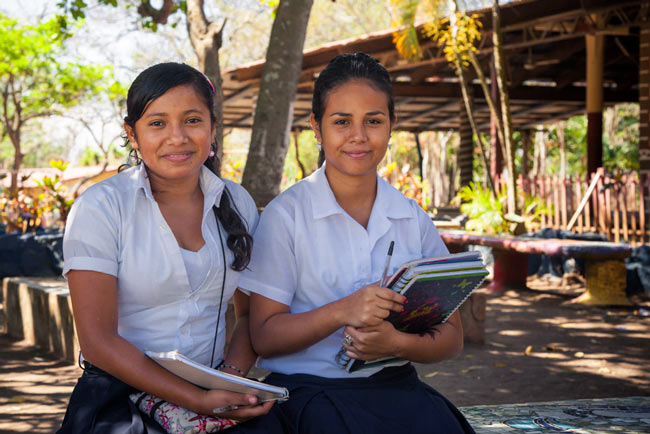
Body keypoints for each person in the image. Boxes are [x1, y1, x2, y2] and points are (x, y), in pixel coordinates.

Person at [232, 52, 475, 434]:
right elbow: (264, 336)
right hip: (309, 396)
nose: (358, 136)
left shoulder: (411, 217)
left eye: (373, 121)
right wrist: (344, 310)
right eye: (341, 121)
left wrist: (396, 344)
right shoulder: (286, 216)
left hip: (399, 391)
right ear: (316, 126)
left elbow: (452, 338)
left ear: (392, 124)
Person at [58, 62, 273, 433]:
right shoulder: (101, 208)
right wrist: (195, 401)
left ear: (213, 128)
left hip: (214, 394)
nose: (177, 137)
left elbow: (252, 314)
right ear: (133, 134)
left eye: (192, 120)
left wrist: (230, 381)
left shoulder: (237, 201)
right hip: (120, 399)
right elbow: (97, 341)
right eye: (157, 123)